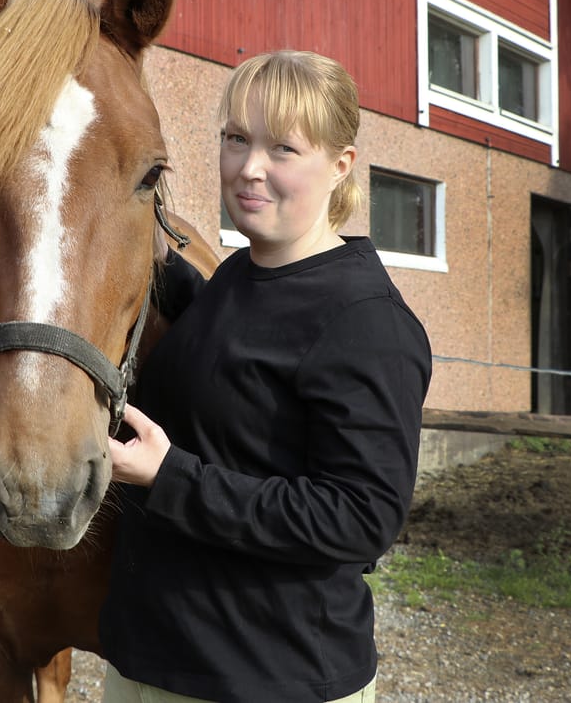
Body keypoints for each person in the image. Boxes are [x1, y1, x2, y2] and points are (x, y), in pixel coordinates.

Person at [99, 50, 432, 703]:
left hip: (265, 677)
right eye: (235, 140)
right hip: (151, 660)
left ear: (341, 167)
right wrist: (157, 266)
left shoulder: (365, 321)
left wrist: (172, 480)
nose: (250, 168)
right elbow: (235, 357)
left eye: (283, 149)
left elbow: (360, 518)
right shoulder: (239, 277)